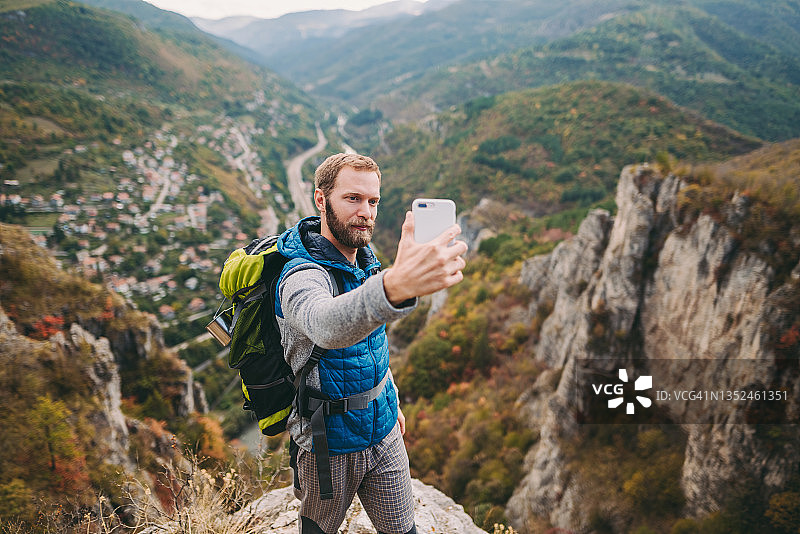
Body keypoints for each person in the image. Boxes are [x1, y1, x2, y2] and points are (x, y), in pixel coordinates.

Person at [274, 153, 467, 534]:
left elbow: (372, 342)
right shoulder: (300, 274)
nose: (365, 211)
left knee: (402, 530)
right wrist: (394, 287)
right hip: (326, 444)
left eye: (373, 201)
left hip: (383, 431)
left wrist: (387, 394)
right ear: (320, 199)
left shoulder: (367, 261)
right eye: (352, 199)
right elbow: (326, 325)